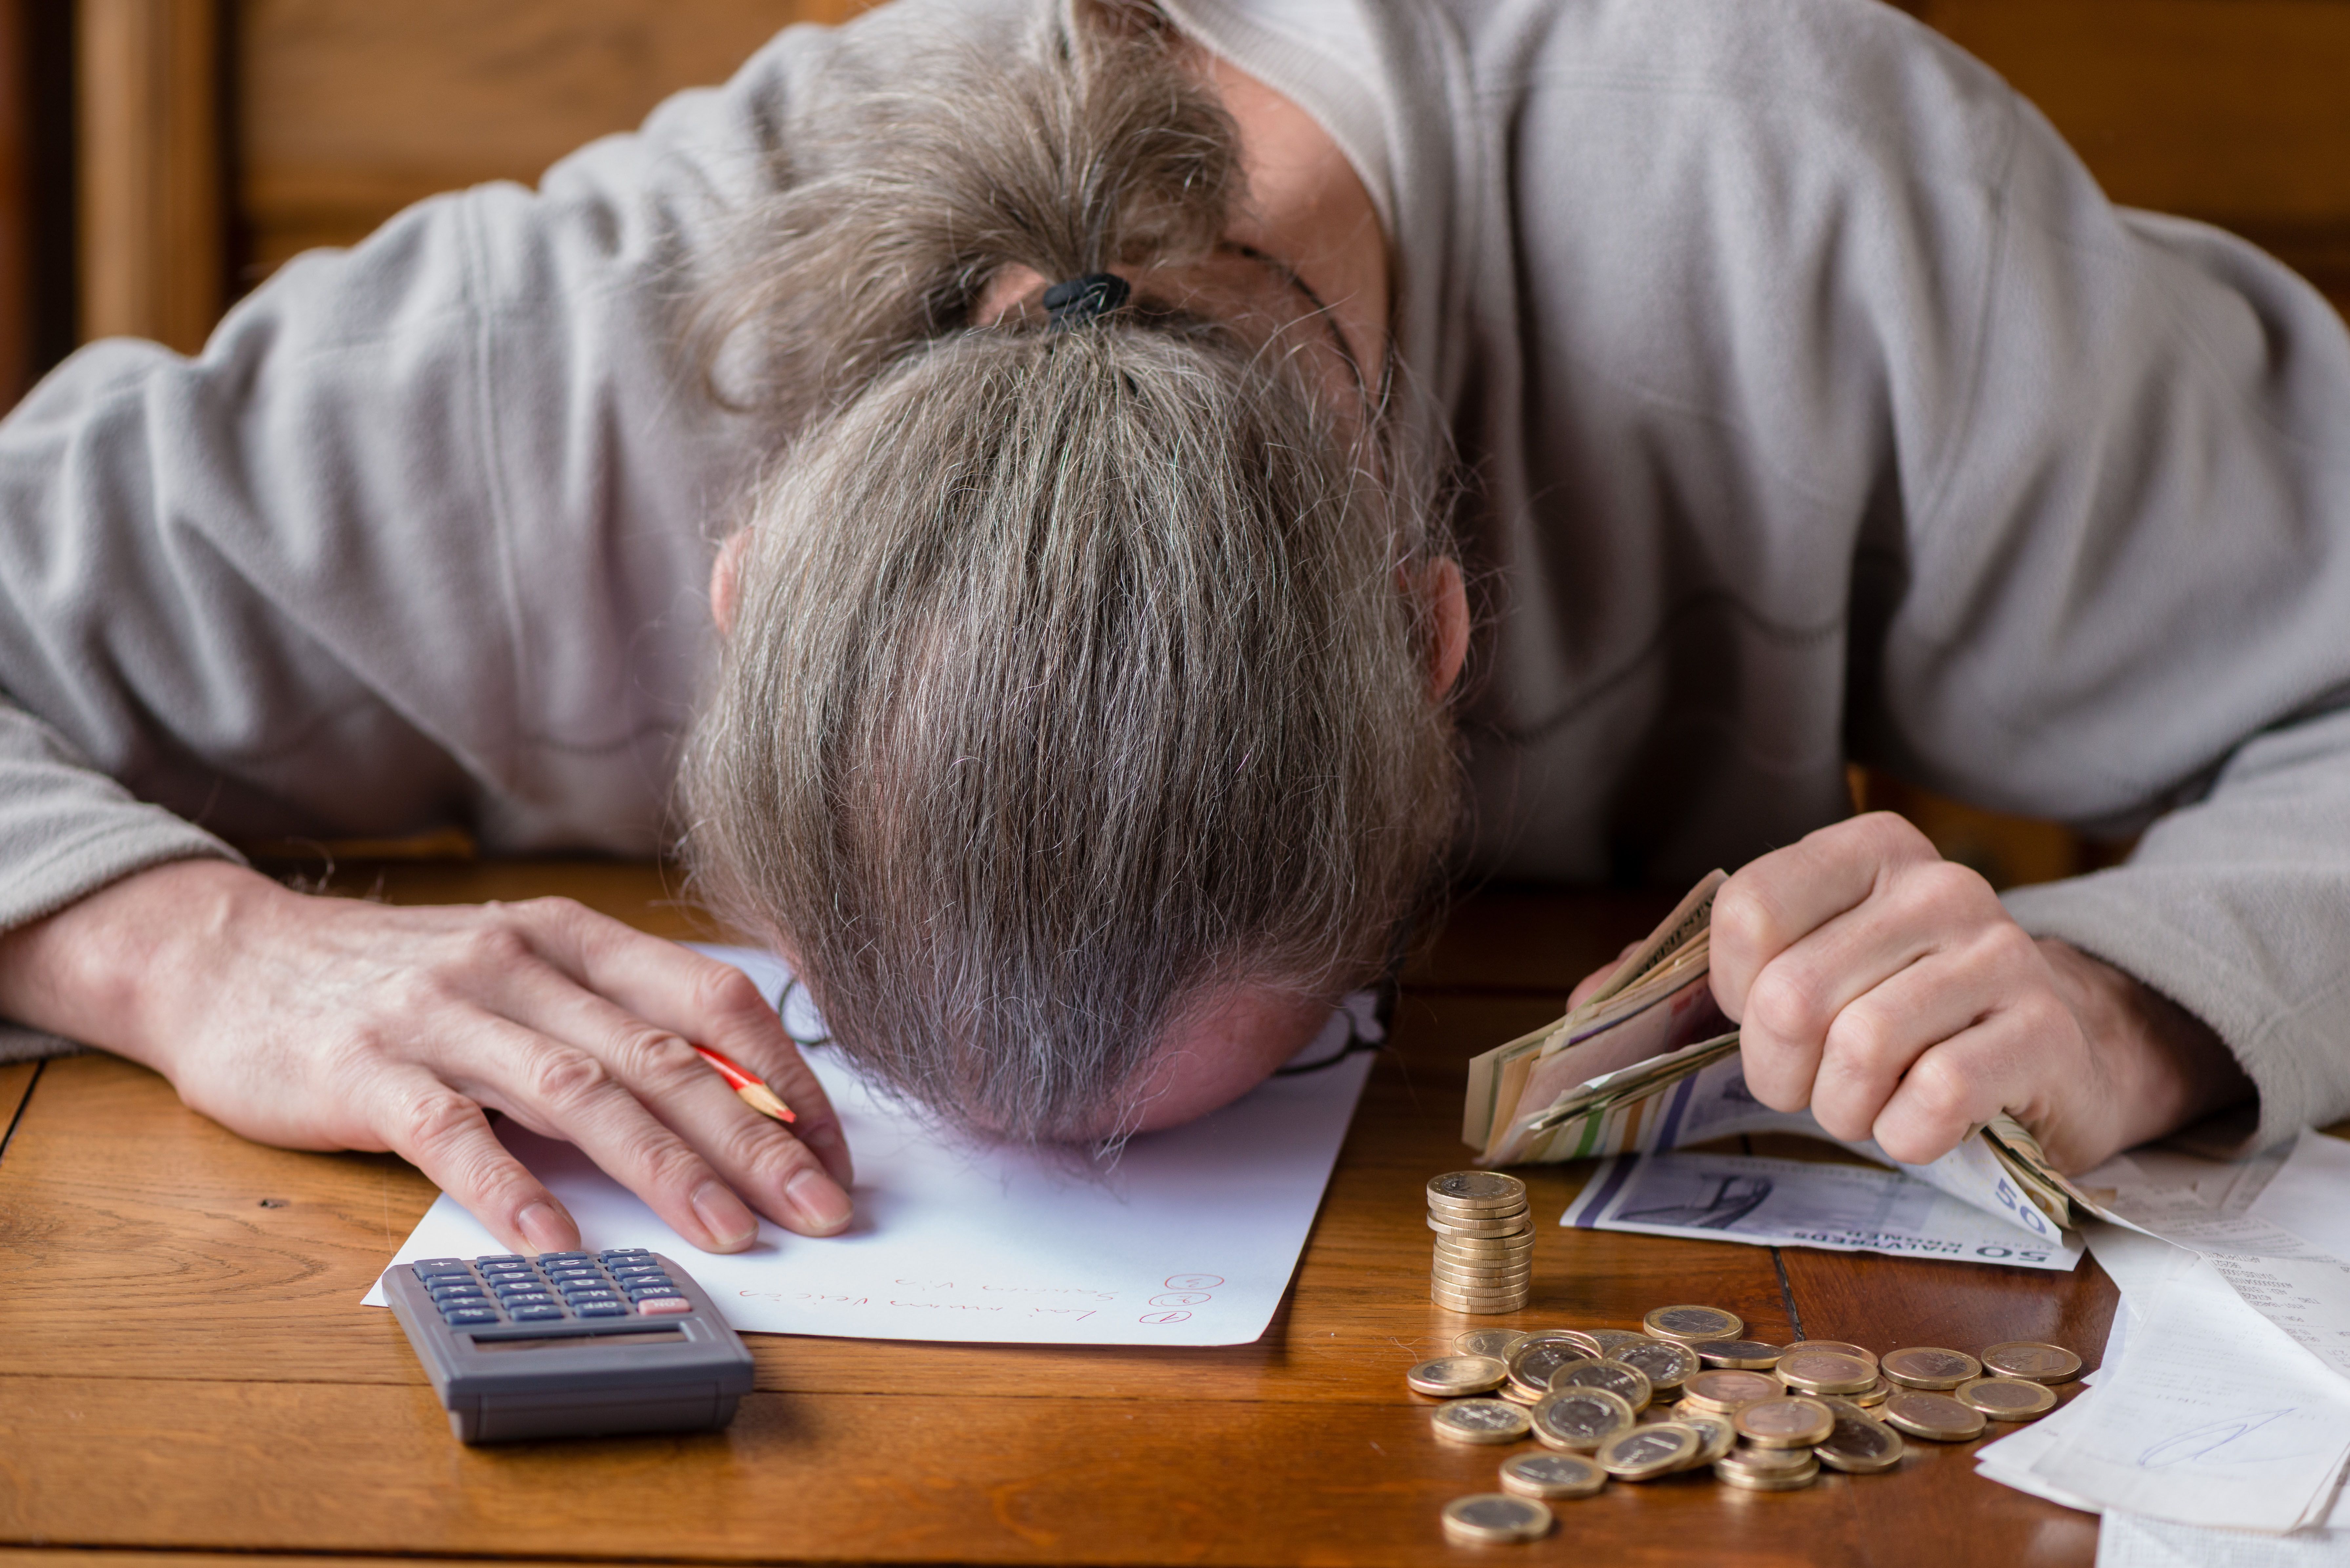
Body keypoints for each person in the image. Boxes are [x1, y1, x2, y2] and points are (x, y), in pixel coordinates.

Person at [0, 0, 2340, 1260]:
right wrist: (192, 951)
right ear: (741, 588)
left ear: (1435, 646)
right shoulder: (553, 367)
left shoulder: (1818, 214)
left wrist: (2133, 1000)